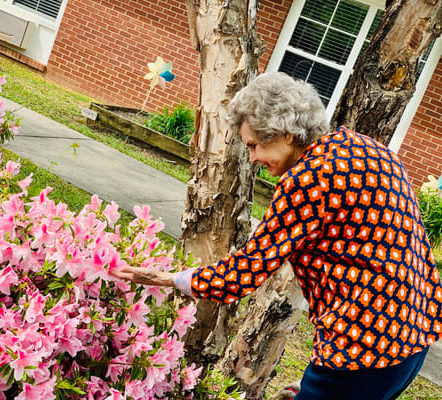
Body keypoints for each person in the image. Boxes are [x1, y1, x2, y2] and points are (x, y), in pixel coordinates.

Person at [111, 72, 442, 400]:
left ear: (285, 133)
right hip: (412, 338)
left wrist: (169, 278)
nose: (253, 158)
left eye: (255, 145)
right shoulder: (369, 150)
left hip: (362, 350)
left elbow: (243, 273)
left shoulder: (309, 178)